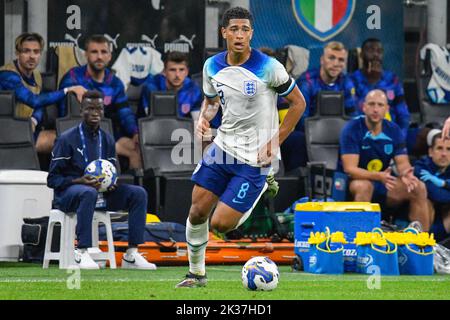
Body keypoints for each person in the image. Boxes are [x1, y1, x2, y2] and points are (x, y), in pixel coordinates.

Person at [175, 7, 306, 288]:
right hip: (222, 148)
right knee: (197, 212)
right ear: (224, 32)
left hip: (256, 157)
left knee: (221, 225)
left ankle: (263, 182)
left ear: (251, 34)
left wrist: (274, 142)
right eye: (234, 29)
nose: (239, 34)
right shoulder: (211, 66)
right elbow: (211, 102)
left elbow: (299, 104)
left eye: (245, 29)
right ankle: (196, 274)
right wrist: (203, 118)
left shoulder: (269, 67)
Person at [47, 90, 156, 270]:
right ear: (81, 110)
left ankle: (131, 254)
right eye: (90, 108)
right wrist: (79, 181)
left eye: (99, 109)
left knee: (138, 193)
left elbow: (114, 171)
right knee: (87, 192)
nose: (95, 113)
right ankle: (81, 252)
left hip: (99, 194)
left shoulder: (107, 139)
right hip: (68, 195)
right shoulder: (66, 139)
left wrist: (111, 183)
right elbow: (52, 179)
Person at [339, 89, 431, 231]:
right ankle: (358, 238)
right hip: (355, 182)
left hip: (384, 181)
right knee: (364, 186)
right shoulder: (352, 129)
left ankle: (421, 245)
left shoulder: (393, 130)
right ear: (364, 107)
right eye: (372, 104)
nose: (376, 109)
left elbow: (402, 163)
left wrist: (406, 174)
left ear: (387, 109)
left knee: (418, 187)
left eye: (380, 105)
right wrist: (378, 176)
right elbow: (350, 169)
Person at [59, 34, 142, 170]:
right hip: (79, 136)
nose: (99, 56)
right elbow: (64, 112)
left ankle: (131, 185)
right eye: (94, 52)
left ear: (109, 56)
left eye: (103, 52)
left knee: (136, 148)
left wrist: (135, 132)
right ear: (86, 54)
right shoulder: (73, 77)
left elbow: (125, 113)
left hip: (107, 136)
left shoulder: (115, 83)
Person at [0, 32, 86, 153]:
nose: (32, 56)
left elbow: (40, 104)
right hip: (5, 133)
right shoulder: (7, 75)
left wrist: (34, 120)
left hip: (23, 129)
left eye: (36, 51)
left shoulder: (36, 75)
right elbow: (33, 100)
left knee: (70, 138)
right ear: (17, 53)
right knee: (66, 142)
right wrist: (67, 90)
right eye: (26, 51)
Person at [280, 41, 357, 172]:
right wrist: (324, 132)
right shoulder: (307, 81)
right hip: (309, 134)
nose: (336, 63)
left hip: (338, 135)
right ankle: (299, 179)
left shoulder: (347, 82)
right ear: (322, 60)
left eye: (341, 60)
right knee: (296, 139)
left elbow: (353, 115)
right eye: (331, 58)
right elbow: (300, 119)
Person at [139, 51, 222, 128]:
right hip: (154, 131)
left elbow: (196, 121)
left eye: (181, 70)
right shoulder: (151, 87)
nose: (177, 75)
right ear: (164, 71)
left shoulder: (193, 89)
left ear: (186, 72)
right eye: (172, 70)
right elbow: (148, 120)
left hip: (181, 132)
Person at [350, 38, 411, 139]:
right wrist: (372, 80)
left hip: (391, 134)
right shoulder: (352, 80)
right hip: (362, 136)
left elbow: (403, 114)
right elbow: (354, 113)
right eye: (370, 50)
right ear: (361, 55)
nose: (375, 55)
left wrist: (400, 137)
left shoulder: (392, 79)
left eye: (379, 51)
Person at [414, 130, 450, 241]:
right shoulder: (421, 167)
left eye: (448, 149)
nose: (444, 154)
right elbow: (437, 195)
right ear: (430, 151)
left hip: (442, 226)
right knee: (427, 201)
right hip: (418, 224)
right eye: (439, 148)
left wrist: (444, 183)